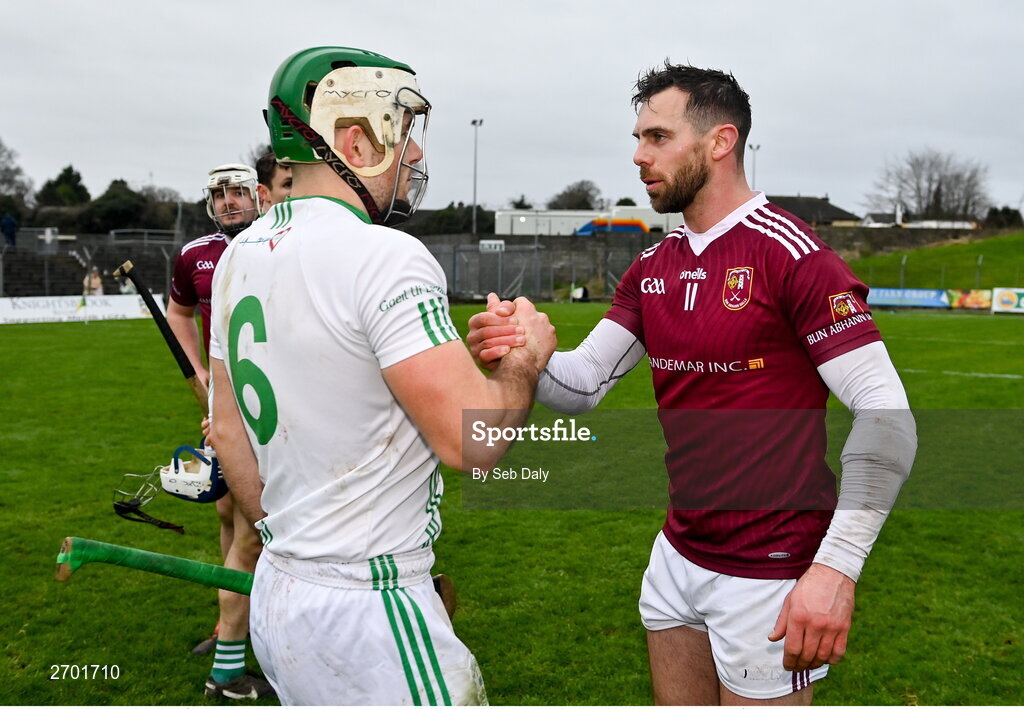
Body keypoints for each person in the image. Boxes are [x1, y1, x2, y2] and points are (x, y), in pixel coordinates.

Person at [468, 62, 917, 705]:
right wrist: (522, 353)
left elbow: (886, 415)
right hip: (678, 556)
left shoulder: (793, 256)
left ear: (720, 143)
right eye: (638, 138)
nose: (637, 155)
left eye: (656, 137)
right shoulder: (654, 264)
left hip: (771, 571)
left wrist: (836, 568)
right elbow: (584, 383)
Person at [208, 46, 556, 706]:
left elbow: (228, 435)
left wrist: (302, 543)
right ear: (354, 138)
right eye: (406, 127)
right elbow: (472, 441)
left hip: (280, 590)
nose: (417, 153)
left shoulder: (238, 257)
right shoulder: (387, 256)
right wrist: (523, 361)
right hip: (369, 606)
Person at [167, 162, 279, 700]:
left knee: (249, 526)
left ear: (257, 195)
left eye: (238, 192)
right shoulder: (195, 255)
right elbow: (180, 315)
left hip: (274, 401)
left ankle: (240, 630)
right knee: (231, 517)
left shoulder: (282, 242)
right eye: (219, 194)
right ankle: (232, 635)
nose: (229, 201)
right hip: (232, 398)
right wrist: (205, 376)